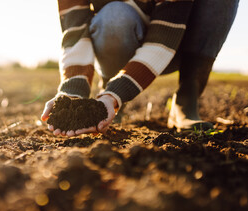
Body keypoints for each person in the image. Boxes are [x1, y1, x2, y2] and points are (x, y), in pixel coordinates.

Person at [41, 0, 239, 137]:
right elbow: (75, 32)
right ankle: (110, 90)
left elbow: (164, 39)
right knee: (114, 16)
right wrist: (72, 90)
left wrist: (117, 92)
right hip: (125, 36)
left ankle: (188, 98)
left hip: (176, 43)